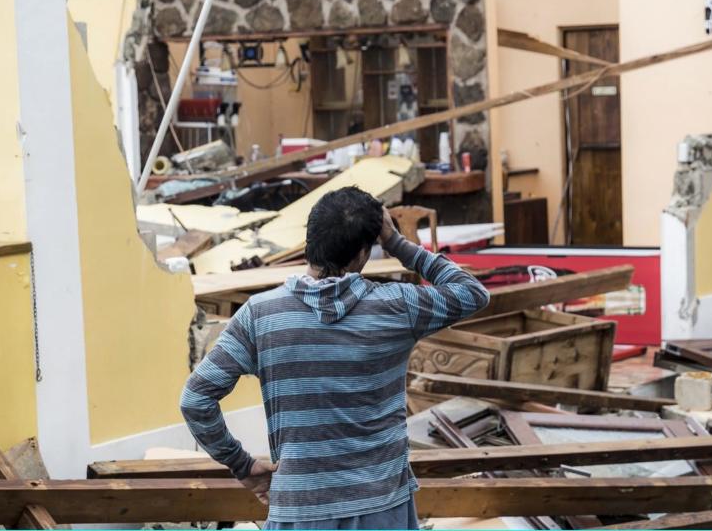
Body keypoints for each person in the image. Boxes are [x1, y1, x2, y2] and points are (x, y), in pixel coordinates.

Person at [180, 186, 490, 530]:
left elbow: (196, 400)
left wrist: (242, 465)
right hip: (381, 509)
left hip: (299, 513)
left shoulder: (260, 316)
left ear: (310, 240)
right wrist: (396, 242)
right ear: (362, 253)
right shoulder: (397, 306)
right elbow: (472, 293)